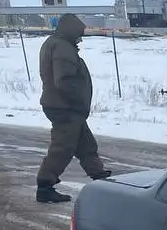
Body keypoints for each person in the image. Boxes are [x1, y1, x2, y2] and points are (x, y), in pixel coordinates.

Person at [35, 13, 111, 203]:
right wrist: (77, 101)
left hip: (64, 105)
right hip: (65, 106)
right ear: (71, 31)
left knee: (85, 144)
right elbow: (65, 80)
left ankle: (99, 176)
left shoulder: (55, 44)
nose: (81, 38)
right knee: (62, 147)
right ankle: (45, 185)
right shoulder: (62, 48)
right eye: (79, 33)